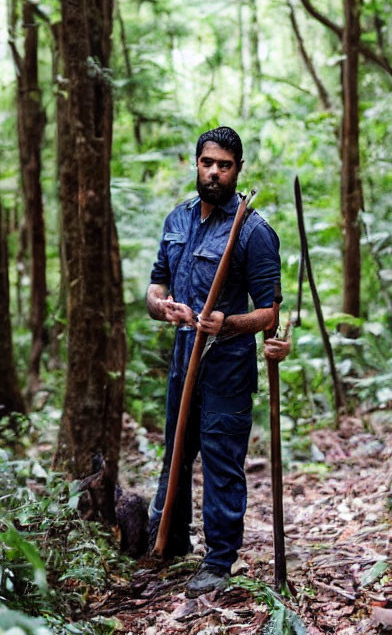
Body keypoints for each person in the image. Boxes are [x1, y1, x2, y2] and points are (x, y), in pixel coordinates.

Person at [145, 126, 281, 597]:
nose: (215, 173)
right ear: (196, 164)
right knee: (177, 450)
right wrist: (161, 306)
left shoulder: (254, 230)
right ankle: (170, 542)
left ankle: (219, 561)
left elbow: (270, 312)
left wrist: (228, 322)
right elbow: (155, 286)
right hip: (184, 354)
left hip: (227, 361)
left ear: (237, 170)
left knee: (222, 461)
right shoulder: (177, 220)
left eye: (225, 165)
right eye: (208, 163)